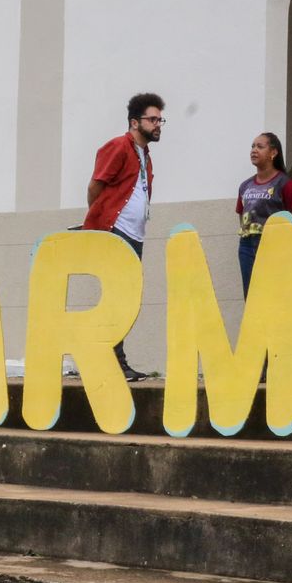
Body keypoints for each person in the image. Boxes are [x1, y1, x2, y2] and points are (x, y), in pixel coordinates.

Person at [83, 93, 165, 383]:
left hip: (134, 235)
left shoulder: (146, 156)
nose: (158, 125)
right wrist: (101, 221)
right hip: (115, 232)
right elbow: (95, 187)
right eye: (152, 119)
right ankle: (114, 362)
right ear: (134, 122)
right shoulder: (118, 146)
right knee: (117, 298)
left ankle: (111, 359)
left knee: (125, 300)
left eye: (159, 120)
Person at [236, 133, 292, 297]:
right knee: (252, 296)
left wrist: (287, 245)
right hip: (246, 246)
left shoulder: (285, 184)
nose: (254, 150)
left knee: (273, 295)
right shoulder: (245, 186)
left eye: (260, 146)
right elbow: (241, 215)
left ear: (273, 153)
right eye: (252, 146)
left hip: (274, 245)